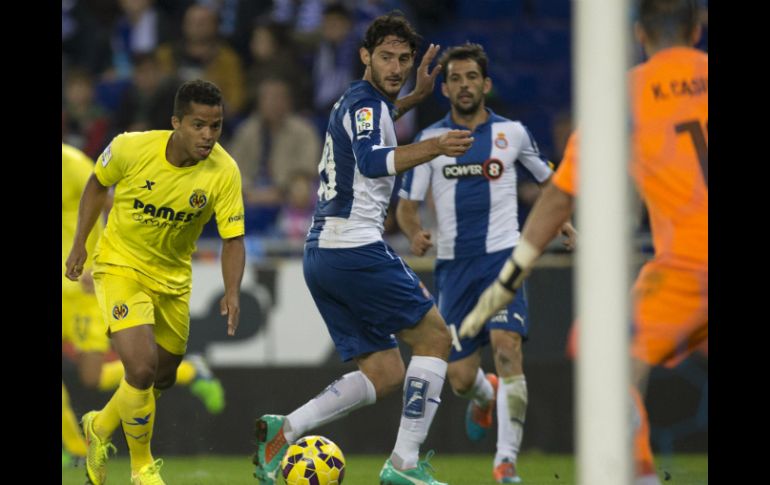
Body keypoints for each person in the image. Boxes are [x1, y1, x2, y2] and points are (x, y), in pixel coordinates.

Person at [458, 1, 707, 484]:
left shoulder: (625, 96)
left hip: (690, 268)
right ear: (698, 28)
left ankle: (636, 474)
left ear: (639, 35)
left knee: (601, 350)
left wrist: (509, 278)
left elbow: (559, 198)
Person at [251, 11, 475, 485]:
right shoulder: (367, 105)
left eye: (404, 59)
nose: (395, 67)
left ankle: (285, 429)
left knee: (385, 371)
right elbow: (374, 161)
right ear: (364, 57)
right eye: (386, 57)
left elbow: (372, 126)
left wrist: (413, 99)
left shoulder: (355, 102)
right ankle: (403, 465)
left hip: (323, 253)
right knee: (435, 338)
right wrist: (436, 147)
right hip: (354, 248)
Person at [397, 42, 575, 484]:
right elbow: (406, 203)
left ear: (486, 84)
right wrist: (414, 231)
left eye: (471, 77)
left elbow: (553, 183)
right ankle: (484, 392)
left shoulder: (511, 134)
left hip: (502, 259)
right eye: (455, 78)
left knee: (507, 349)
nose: (463, 85)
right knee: (459, 378)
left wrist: (565, 226)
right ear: (445, 88)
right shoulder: (430, 142)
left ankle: (506, 462)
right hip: (454, 269)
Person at [65, 79, 246, 485]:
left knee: (160, 376)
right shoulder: (132, 147)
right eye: (198, 125)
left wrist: (232, 290)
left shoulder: (224, 171)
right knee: (142, 368)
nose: (208, 136)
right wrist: (80, 245)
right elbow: (97, 184)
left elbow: (233, 238)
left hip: (173, 281)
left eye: (215, 126)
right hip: (120, 266)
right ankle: (142, 468)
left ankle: (99, 426)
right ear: (176, 123)